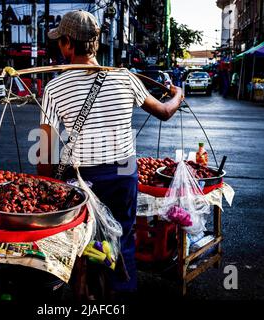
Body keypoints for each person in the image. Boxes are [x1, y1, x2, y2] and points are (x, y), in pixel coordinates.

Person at [37, 10, 183, 299]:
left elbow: (45, 156)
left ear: (67, 43)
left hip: (84, 178)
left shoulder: (54, 88)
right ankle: (121, 293)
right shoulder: (126, 79)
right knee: (122, 238)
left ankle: (89, 294)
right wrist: (178, 94)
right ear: (96, 44)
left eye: (60, 42)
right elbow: (165, 112)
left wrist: (47, 187)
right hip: (123, 173)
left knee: (84, 240)